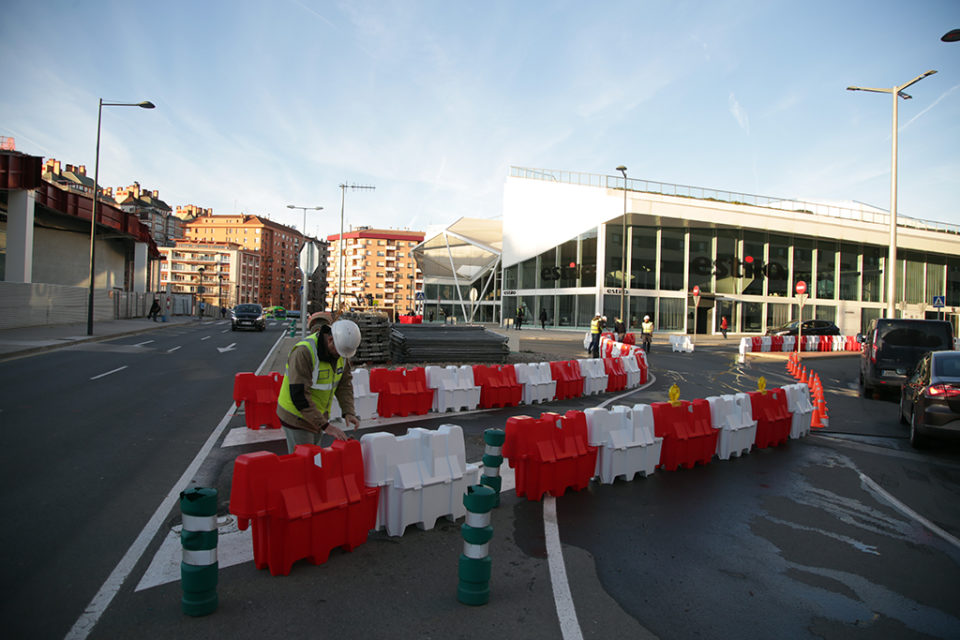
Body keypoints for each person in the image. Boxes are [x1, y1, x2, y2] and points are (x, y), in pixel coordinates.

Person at [276, 319, 363, 454]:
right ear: (329, 340)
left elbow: (344, 383)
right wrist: (326, 426)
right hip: (296, 416)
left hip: (317, 415)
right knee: (304, 462)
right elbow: (299, 395)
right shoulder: (303, 352)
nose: (341, 356)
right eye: (338, 351)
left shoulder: (340, 352)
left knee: (314, 457)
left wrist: (348, 411)